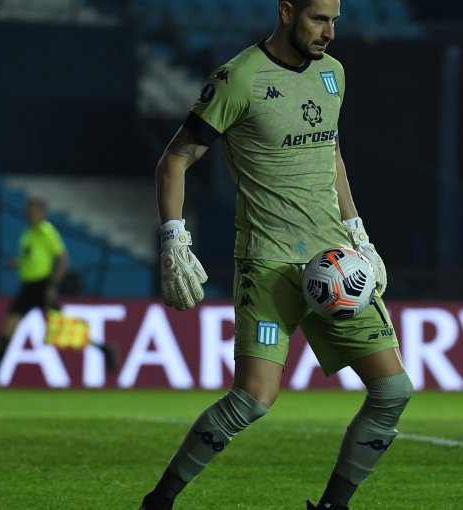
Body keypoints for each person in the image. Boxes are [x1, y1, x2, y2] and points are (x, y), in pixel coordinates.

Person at [140, 1, 412, 508]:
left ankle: (332, 507)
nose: (329, 32)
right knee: (252, 400)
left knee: (393, 392)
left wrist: (359, 234)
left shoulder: (334, 75)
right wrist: (174, 239)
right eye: (318, 19)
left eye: (335, 20)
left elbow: (330, 154)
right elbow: (174, 160)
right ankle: (160, 500)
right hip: (268, 265)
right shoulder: (239, 78)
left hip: (337, 265)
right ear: (287, 12)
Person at [0, 197, 116, 387]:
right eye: (28, 210)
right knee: (7, 328)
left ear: (42, 213)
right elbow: (33, 258)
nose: (29, 213)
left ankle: (103, 349)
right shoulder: (28, 233)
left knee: (61, 331)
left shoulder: (46, 231)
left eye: (33, 210)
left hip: (43, 287)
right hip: (27, 288)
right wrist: (16, 263)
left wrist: (53, 286)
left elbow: (63, 259)